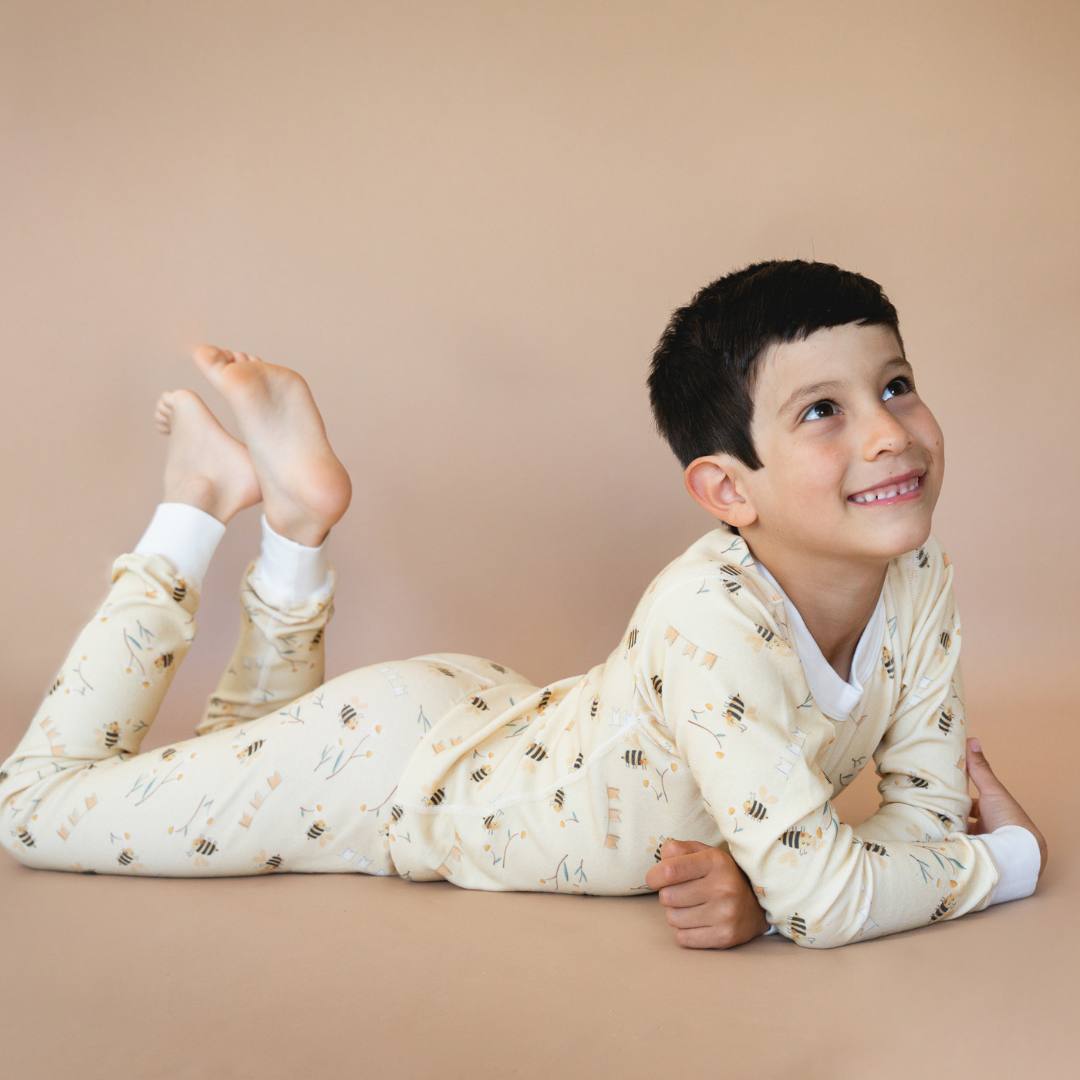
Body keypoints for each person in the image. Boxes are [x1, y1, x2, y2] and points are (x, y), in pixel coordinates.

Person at [0, 260, 1047, 950]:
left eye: (896, 384)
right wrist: (1004, 861)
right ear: (729, 490)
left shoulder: (919, 578)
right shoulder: (711, 618)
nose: (886, 435)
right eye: (823, 410)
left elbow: (905, 828)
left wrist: (784, 889)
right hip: (395, 778)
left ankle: (293, 524)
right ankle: (194, 504)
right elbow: (834, 894)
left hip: (499, 724)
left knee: (249, 749)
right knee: (32, 808)